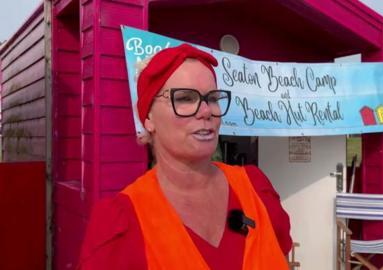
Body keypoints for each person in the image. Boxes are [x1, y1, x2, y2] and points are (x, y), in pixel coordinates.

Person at [77, 44, 292, 270]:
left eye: (212, 98)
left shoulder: (255, 188)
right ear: (148, 118)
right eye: (186, 98)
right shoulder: (122, 223)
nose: (206, 111)